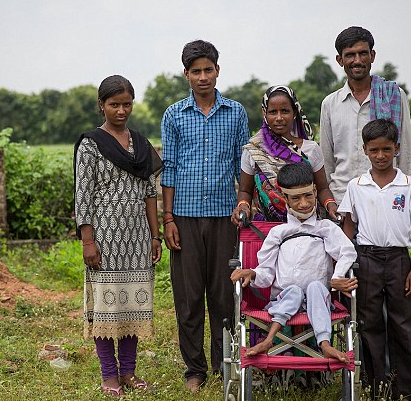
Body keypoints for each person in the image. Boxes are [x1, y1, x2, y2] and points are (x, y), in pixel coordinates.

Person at [160, 39, 249, 393]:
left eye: (207, 69)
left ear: (217, 70)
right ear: (186, 75)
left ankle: (223, 363)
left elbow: (245, 165)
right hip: (184, 216)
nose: (202, 77)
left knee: (224, 295)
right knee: (189, 296)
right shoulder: (174, 115)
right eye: (195, 71)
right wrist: (168, 219)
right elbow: (169, 168)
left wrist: (245, 202)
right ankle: (195, 369)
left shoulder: (236, 112)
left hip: (226, 218)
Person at [74, 75, 163, 398]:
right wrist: (88, 241)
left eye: (127, 104)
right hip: (105, 236)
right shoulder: (91, 144)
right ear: (102, 106)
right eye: (114, 104)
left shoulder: (139, 142)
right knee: (106, 307)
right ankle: (108, 375)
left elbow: (149, 193)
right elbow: (83, 194)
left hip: (137, 237)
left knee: (131, 305)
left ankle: (128, 372)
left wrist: (156, 236)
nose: (121, 110)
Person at [338, 119, 411, 400]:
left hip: (398, 260)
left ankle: (406, 388)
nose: (380, 156)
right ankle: (376, 384)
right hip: (366, 259)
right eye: (374, 150)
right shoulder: (356, 185)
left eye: (386, 149)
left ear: (397, 149)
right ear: (365, 150)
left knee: (402, 322)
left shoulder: (408, 185)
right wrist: (346, 264)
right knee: (369, 322)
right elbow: (348, 226)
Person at [230, 162, 357, 361]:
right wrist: (252, 273)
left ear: (315, 192)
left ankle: (324, 344)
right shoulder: (278, 233)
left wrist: (337, 276)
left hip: (318, 301)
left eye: (308, 196)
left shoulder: (325, 228)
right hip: (285, 299)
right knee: (294, 291)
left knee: (315, 287)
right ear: (285, 199)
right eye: (296, 198)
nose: (304, 204)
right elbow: (265, 275)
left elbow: (347, 252)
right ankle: (269, 339)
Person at [320, 26, 411, 205]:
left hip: (387, 197)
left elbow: (407, 152)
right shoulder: (330, 104)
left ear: (372, 56)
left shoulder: (394, 96)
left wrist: (406, 197)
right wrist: (329, 201)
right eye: (350, 55)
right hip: (343, 199)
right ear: (339, 60)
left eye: (362, 53)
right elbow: (326, 160)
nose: (357, 60)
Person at [231, 85, 339, 225]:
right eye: (273, 112)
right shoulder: (253, 151)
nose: (279, 118)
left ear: (295, 112)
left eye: (285, 111)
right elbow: (245, 190)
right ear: (264, 113)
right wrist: (243, 206)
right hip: (267, 229)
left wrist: (331, 205)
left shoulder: (310, 150)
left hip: (308, 227)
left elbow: (323, 188)